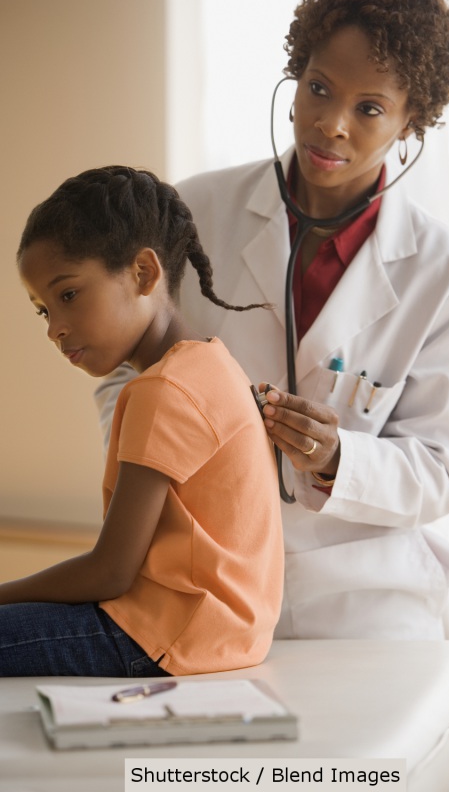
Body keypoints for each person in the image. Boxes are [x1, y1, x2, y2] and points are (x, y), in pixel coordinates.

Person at [96, 0, 449, 640]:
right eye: (320, 88)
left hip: (364, 601)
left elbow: (442, 472)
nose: (332, 124)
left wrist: (339, 458)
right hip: (198, 573)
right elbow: (118, 376)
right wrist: (160, 451)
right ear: (296, 76)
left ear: (411, 119)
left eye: (369, 108)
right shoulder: (193, 210)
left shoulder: (445, 275)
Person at [0, 166, 284, 677]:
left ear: (143, 274)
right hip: (225, 636)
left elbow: (109, 572)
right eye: (43, 311)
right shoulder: (211, 364)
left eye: (67, 295)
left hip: (168, 634)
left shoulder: (165, 390)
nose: (55, 329)